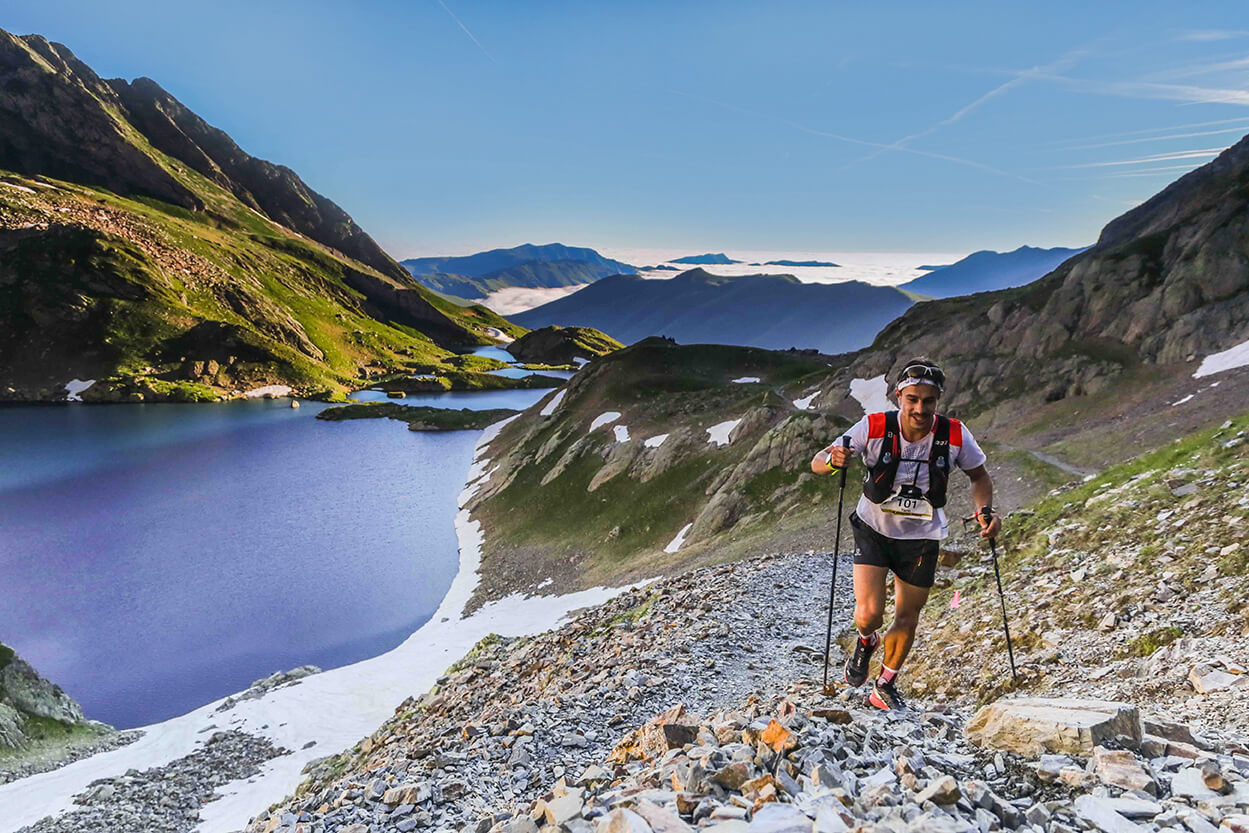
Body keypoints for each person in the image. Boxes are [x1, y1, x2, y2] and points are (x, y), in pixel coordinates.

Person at [809, 357, 1001, 711]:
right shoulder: (874, 426)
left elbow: (980, 476)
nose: (919, 408)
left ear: (937, 401)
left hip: (923, 536)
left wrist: (985, 511)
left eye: (928, 401)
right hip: (874, 528)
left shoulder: (955, 433)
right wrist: (834, 461)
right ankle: (866, 642)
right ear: (899, 396)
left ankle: (885, 684)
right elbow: (819, 461)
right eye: (912, 399)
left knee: (908, 615)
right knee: (868, 615)